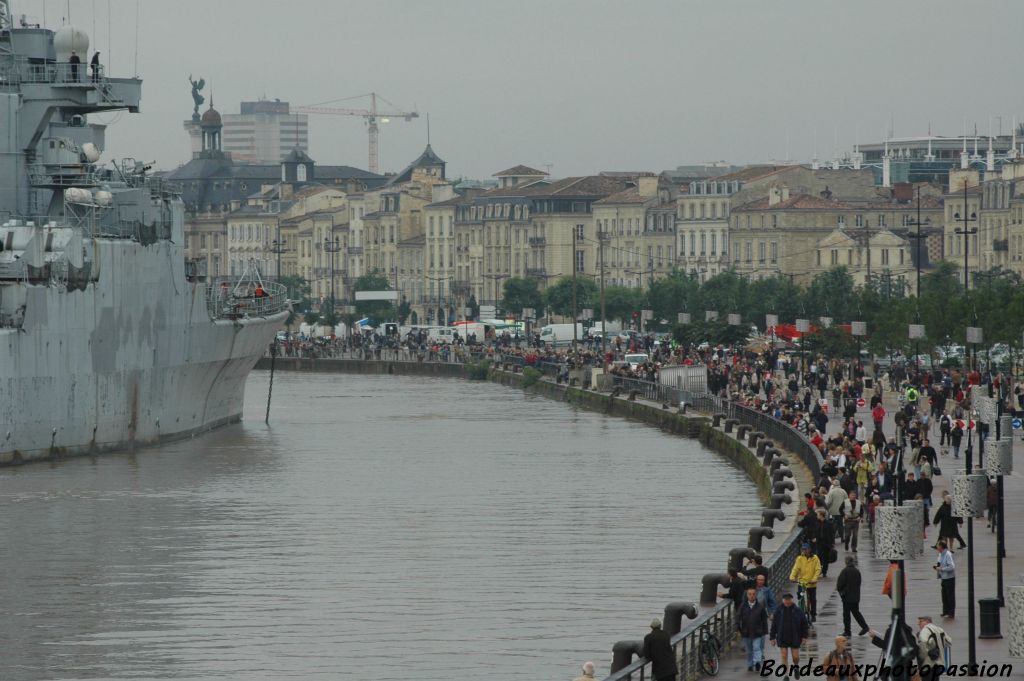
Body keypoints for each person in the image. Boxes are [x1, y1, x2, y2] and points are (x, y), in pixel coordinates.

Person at [770, 593, 809, 678]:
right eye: (785, 600)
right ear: (783, 600)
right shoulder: (778, 610)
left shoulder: (798, 610)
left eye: (789, 600)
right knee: (784, 656)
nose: (787, 602)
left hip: (795, 637)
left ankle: (796, 667)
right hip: (782, 636)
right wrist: (772, 637)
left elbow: (804, 624)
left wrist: (804, 636)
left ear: (791, 600)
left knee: (795, 657)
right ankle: (786, 675)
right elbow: (774, 625)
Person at [835, 555, 869, 637]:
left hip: (847, 597)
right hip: (856, 597)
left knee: (846, 615)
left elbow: (840, 585)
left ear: (846, 562)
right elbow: (859, 583)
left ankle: (847, 631)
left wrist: (841, 592)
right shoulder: (857, 571)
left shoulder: (845, 571)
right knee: (856, 613)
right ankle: (865, 627)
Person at [737, 586, 769, 672]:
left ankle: (757, 662)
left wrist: (765, 631)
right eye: (750, 594)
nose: (752, 596)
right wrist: (738, 629)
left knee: (756, 647)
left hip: (757, 631)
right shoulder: (743, 606)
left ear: (756, 596)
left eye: (753, 594)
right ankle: (750, 664)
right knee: (749, 650)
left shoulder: (760, 607)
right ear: (747, 595)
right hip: (746, 631)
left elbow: (764, 620)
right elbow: (738, 618)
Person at [789, 543, 822, 622]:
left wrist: (814, 579)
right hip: (802, 583)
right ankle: (801, 613)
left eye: (805, 549)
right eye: (802, 549)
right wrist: (792, 577)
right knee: (800, 598)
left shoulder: (815, 558)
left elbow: (818, 569)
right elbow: (795, 568)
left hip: (811, 583)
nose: (804, 551)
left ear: (809, 550)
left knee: (812, 599)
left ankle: (813, 614)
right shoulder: (799, 558)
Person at [934, 541, 956, 618]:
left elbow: (952, 566)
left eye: (938, 546)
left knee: (950, 596)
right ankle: (945, 611)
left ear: (941, 547)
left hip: (949, 578)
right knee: (944, 595)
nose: (936, 547)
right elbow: (939, 563)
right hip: (943, 577)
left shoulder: (948, 554)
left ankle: (951, 612)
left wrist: (942, 569)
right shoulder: (940, 554)